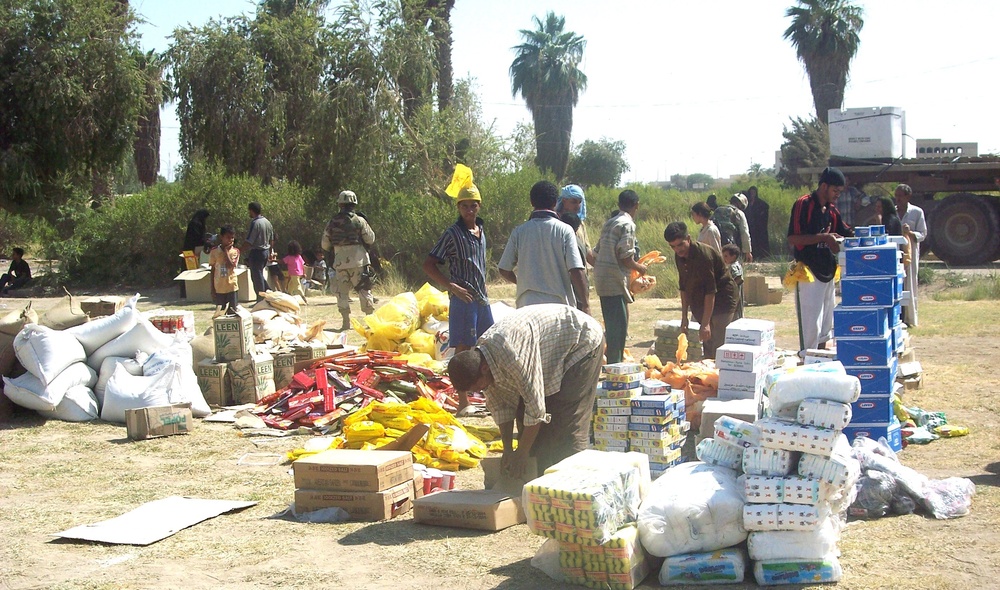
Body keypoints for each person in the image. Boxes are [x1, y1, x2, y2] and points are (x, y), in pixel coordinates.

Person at [447, 304, 605, 476]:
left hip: (580, 341)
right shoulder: (482, 361)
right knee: (530, 428)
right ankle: (540, 483)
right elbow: (501, 407)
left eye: (478, 387)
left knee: (567, 424)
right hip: (550, 353)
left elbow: (536, 409)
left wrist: (522, 453)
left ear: (484, 368)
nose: (480, 390)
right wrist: (508, 449)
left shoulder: (512, 356)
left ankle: (574, 486)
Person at [423, 184, 494, 414]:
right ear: (458, 207)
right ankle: (463, 401)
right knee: (463, 349)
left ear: (479, 206)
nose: (469, 210)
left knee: (488, 345)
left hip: (481, 298)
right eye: (465, 206)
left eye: (473, 205)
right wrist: (451, 286)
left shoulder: (481, 231)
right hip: (462, 297)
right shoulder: (452, 233)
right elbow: (429, 264)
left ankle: (488, 394)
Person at [788, 167, 854, 353]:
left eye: (840, 192)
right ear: (824, 186)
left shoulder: (832, 210)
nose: (837, 195)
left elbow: (845, 231)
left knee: (826, 322)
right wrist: (824, 238)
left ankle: (822, 356)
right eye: (835, 191)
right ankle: (807, 357)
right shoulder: (804, 204)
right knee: (811, 323)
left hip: (829, 271)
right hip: (808, 271)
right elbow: (793, 238)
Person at [498, 181, 589, 313]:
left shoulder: (519, 232)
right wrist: (586, 304)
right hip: (559, 307)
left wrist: (522, 283)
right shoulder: (565, 230)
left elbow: (504, 269)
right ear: (554, 203)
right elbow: (576, 270)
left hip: (527, 306)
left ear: (532, 202)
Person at [664, 222, 739, 358]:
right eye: (673, 247)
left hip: (722, 298)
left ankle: (719, 376)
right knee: (707, 342)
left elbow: (710, 291)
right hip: (700, 298)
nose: (678, 250)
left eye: (680, 244)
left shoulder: (703, 255)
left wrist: (705, 324)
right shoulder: (679, 256)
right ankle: (708, 374)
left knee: (718, 343)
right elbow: (684, 287)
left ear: (688, 238)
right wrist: (684, 318)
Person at [594, 190, 647, 364]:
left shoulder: (610, 223)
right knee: (618, 329)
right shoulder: (627, 224)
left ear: (619, 204)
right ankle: (614, 368)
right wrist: (640, 268)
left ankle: (611, 363)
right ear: (636, 205)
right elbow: (625, 257)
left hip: (603, 279)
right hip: (614, 281)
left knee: (612, 325)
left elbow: (596, 252)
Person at [322, 190, 376, 330]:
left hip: (340, 261)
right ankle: (369, 322)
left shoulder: (332, 222)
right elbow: (370, 239)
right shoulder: (360, 220)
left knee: (342, 292)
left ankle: (345, 322)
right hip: (359, 260)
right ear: (354, 204)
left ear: (339, 204)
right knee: (364, 289)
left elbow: (325, 244)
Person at [895, 183, 927, 326]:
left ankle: (910, 319)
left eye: (900, 196)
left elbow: (923, 234)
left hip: (910, 252)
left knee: (910, 284)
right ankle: (897, 318)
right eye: (896, 196)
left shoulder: (917, 212)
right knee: (896, 284)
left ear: (908, 197)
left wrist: (910, 233)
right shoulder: (893, 212)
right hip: (895, 253)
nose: (897, 199)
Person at [556, 184, 596, 267]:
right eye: (573, 202)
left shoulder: (580, 224)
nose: (577, 206)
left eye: (579, 202)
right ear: (564, 201)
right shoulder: (556, 222)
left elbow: (586, 250)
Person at [243, 201, 275, 302]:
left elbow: (250, 241)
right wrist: (270, 252)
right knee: (259, 275)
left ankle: (261, 299)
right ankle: (269, 294)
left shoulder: (255, 223)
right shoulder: (267, 222)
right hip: (265, 252)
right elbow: (272, 239)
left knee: (256, 276)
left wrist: (238, 251)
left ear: (251, 211)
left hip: (257, 252)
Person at [209, 226, 240, 314]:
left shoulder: (235, 251)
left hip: (231, 286)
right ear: (221, 237)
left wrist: (226, 251)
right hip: (219, 287)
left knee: (232, 312)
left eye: (232, 238)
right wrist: (212, 288)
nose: (230, 240)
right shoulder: (214, 251)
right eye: (228, 238)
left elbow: (231, 265)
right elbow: (213, 270)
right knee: (220, 313)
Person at [744, 186, 771, 259]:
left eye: (754, 193)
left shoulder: (760, 203)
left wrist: (760, 215)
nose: (752, 194)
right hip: (750, 225)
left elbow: (766, 207)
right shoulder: (747, 203)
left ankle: (762, 256)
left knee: (760, 240)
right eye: (751, 193)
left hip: (758, 226)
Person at [721, 243, 744, 320]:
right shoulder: (736, 265)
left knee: (735, 316)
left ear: (733, 257)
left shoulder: (733, 266)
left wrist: (729, 287)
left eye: (726, 256)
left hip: (734, 296)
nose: (724, 258)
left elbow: (738, 278)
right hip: (735, 297)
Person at [729, 193, 754, 262]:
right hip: (733, 247)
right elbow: (744, 233)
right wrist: (748, 251)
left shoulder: (719, 210)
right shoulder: (739, 213)